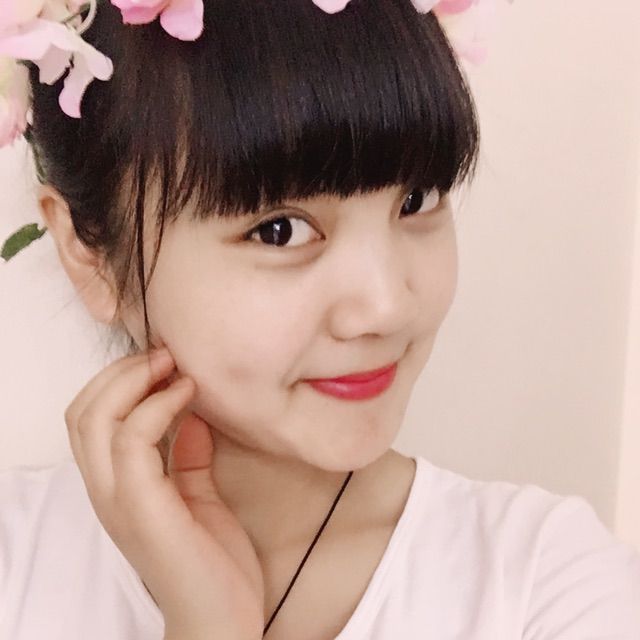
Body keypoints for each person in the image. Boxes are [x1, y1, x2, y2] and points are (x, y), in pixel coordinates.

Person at [1, 1, 639, 639]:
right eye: (279, 230)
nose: (385, 307)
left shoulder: (548, 585)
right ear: (90, 257)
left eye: (417, 199)